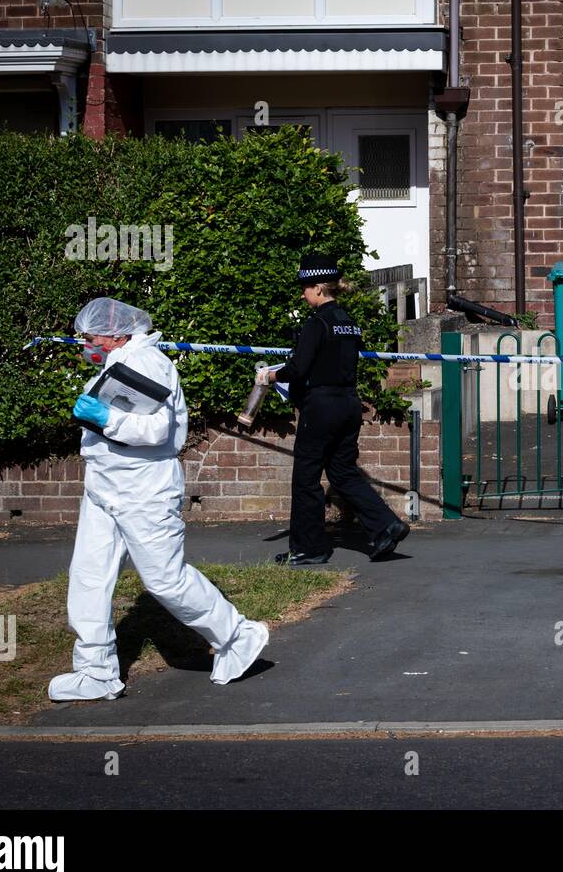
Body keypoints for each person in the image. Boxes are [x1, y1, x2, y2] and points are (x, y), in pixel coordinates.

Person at [50, 298, 269, 701]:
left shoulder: (147, 363)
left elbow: (155, 431)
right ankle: (95, 670)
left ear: (115, 335)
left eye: (89, 335)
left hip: (143, 487)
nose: (84, 342)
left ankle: (237, 635)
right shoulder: (118, 362)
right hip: (106, 483)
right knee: (89, 576)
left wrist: (105, 419)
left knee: (165, 579)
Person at [257, 254, 409, 566]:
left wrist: (271, 376)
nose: (303, 294)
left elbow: (298, 369)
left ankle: (309, 548)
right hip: (349, 404)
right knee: (342, 472)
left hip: (321, 407)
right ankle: (385, 525)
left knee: (306, 478)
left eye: (306, 288)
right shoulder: (348, 324)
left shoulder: (318, 323)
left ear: (318, 288)